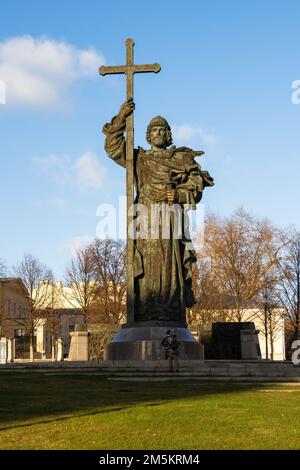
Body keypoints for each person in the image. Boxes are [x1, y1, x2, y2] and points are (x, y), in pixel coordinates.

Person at [103, 99, 214, 325]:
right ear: (148, 135)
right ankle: (146, 310)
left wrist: (179, 195)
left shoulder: (180, 159)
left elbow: (198, 182)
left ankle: (169, 311)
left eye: (163, 129)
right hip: (144, 215)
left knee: (169, 263)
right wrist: (122, 116)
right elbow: (113, 148)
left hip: (169, 217)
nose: (159, 132)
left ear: (169, 134)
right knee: (145, 263)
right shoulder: (139, 158)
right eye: (155, 129)